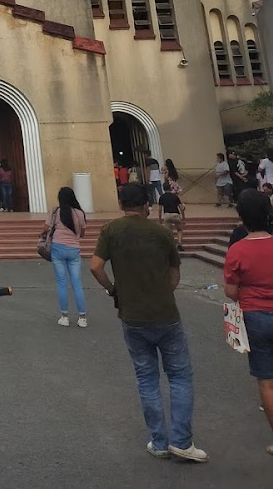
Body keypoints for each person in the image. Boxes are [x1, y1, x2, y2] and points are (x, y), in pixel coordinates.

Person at [89, 183, 207, 462]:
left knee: (147, 378)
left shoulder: (111, 230)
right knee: (179, 376)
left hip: (132, 316)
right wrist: (163, 292)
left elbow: (95, 266)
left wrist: (113, 290)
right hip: (165, 314)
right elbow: (175, 273)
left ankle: (159, 441)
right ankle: (182, 441)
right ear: (146, 205)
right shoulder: (162, 233)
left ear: (121, 204)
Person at [223, 189, 273, 460]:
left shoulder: (237, 250)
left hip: (255, 317)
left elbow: (230, 292)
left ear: (242, 217)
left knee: (267, 383)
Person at [48, 186, 87, 327]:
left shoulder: (56, 212)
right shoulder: (79, 213)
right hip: (74, 249)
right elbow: (82, 233)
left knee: (61, 283)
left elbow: (46, 227)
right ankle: (82, 317)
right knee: (77, 283)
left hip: (58, 247)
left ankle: (64, 316)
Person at [158, 181, 186, 251]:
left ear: (163, 188)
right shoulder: (175, 196)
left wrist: (160, 219)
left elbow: (159, 210)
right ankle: (179, 242)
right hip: (175, 214)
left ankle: (171, 245)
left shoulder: (162, 197)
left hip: (167, 214)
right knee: (179, 230)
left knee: (169, 232)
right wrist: (183, 217)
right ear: (170, 188)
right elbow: (181, 208)